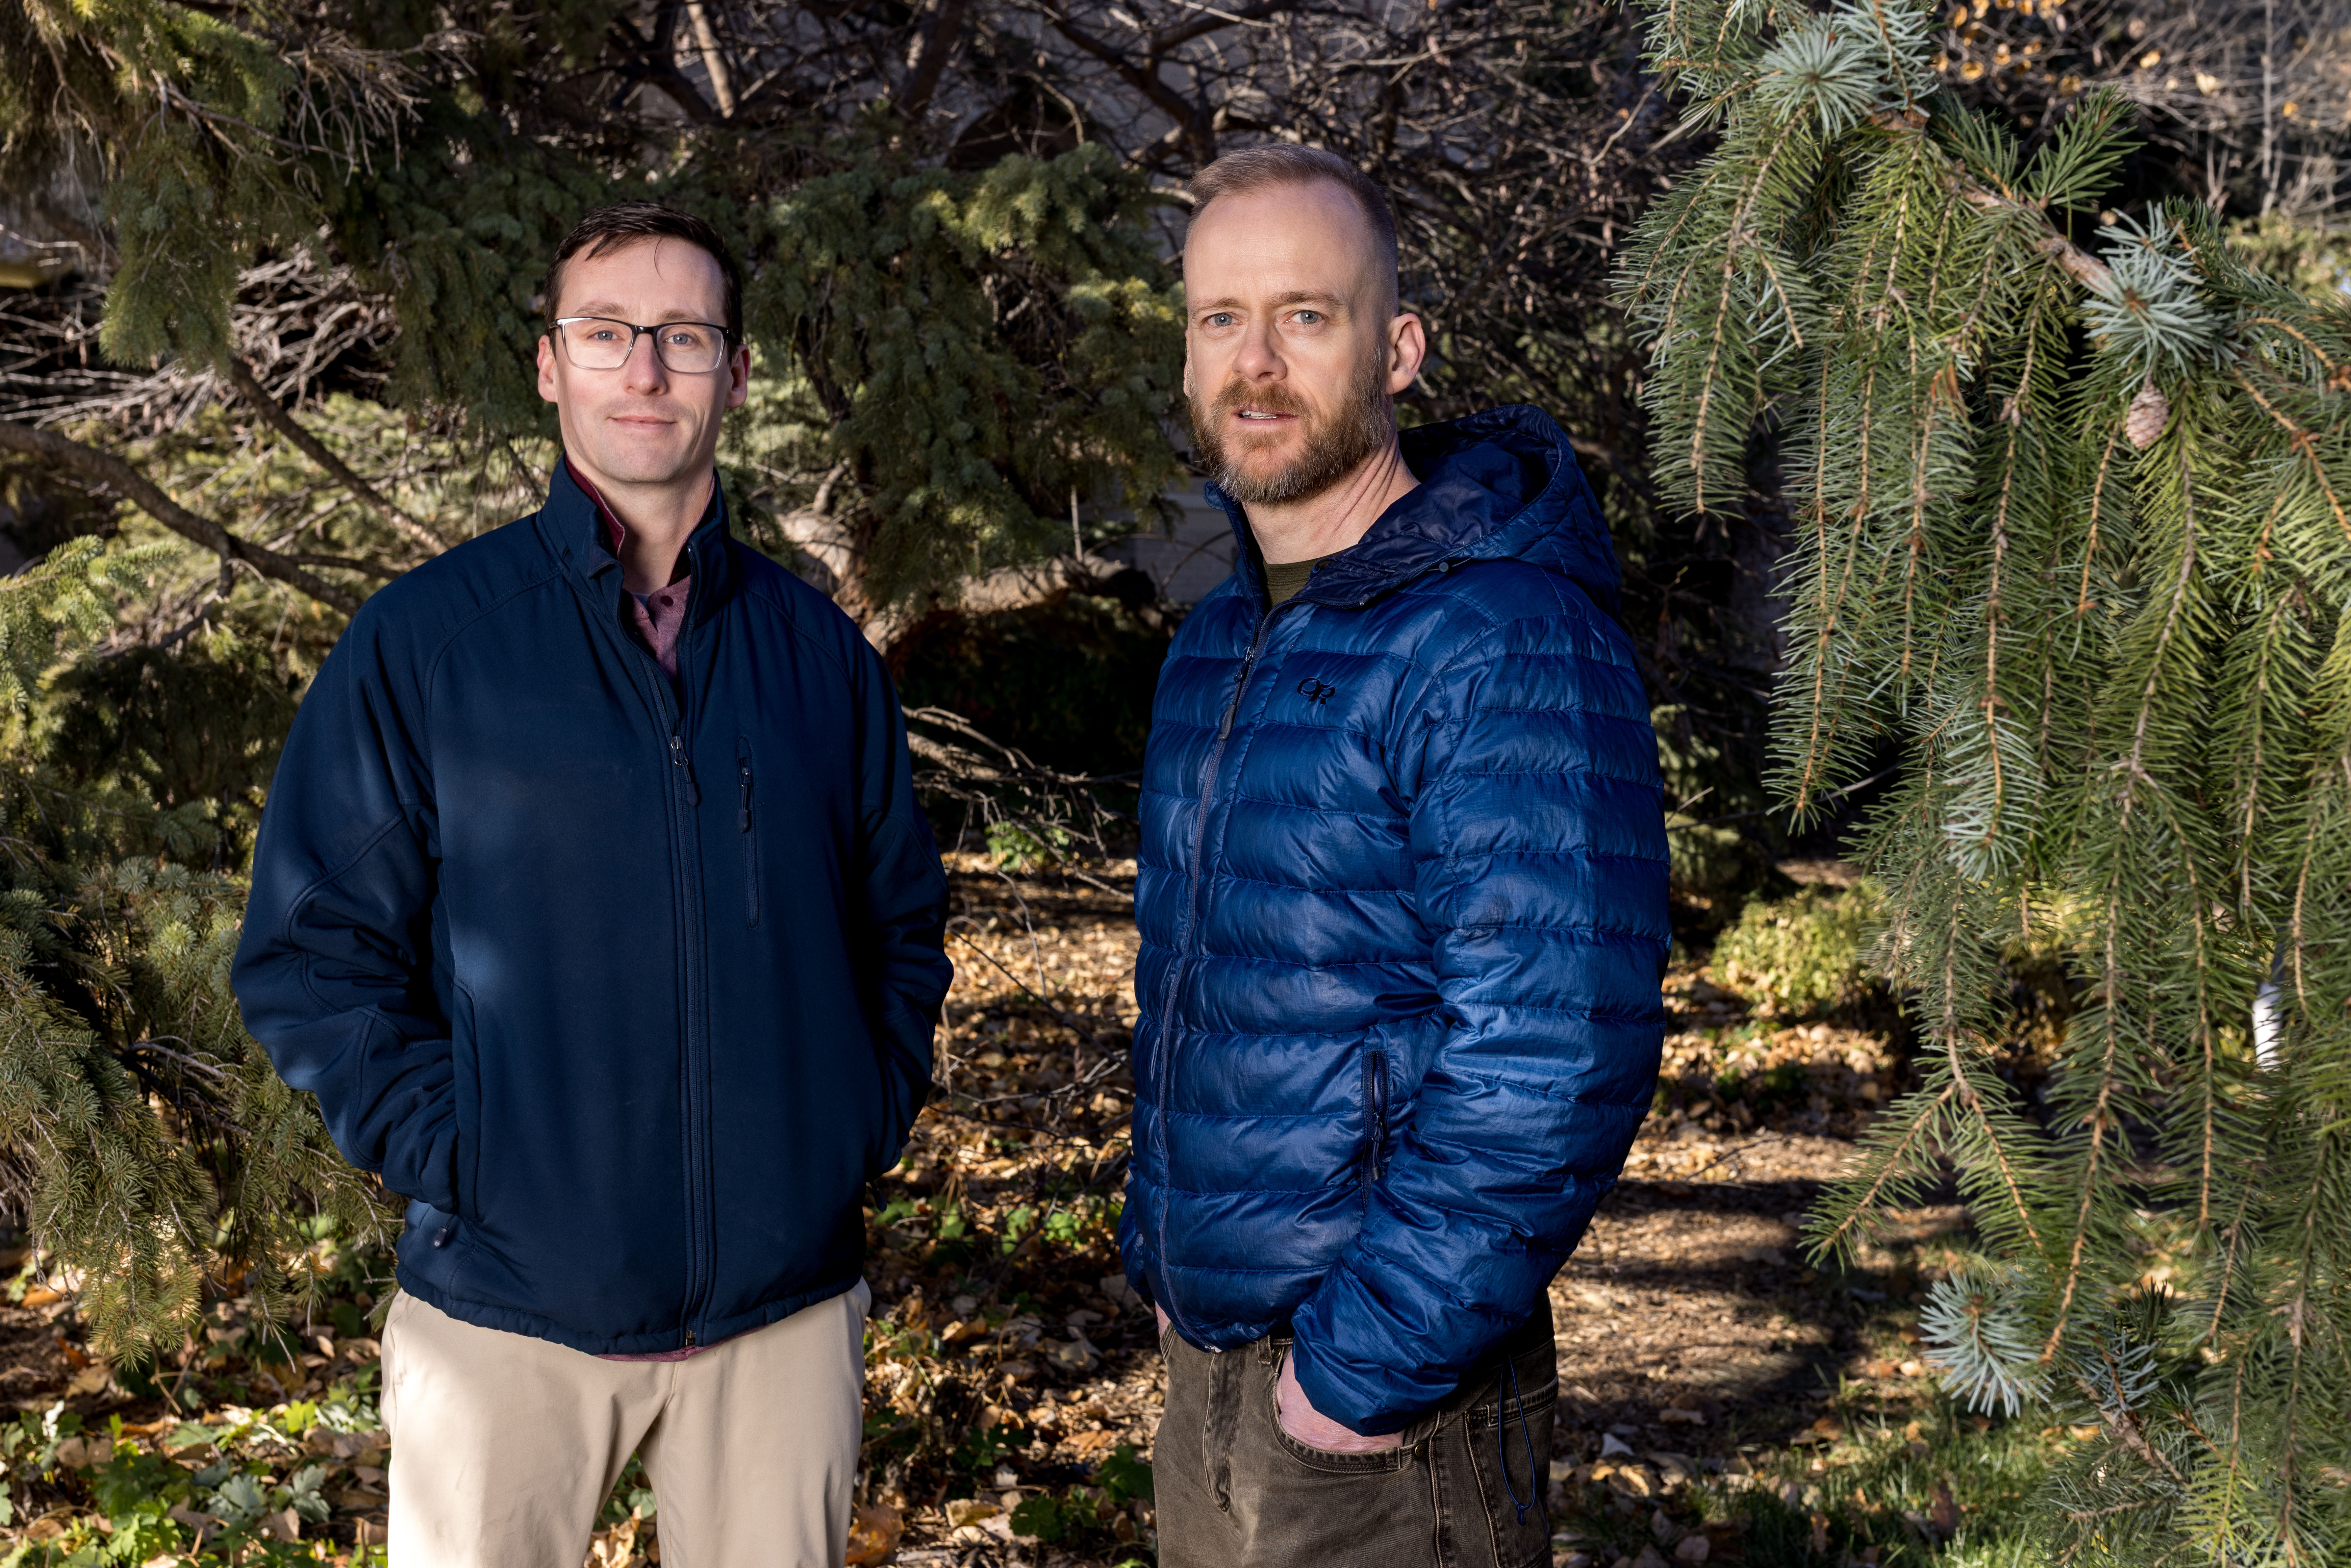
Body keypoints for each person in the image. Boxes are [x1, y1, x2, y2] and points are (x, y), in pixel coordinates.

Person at [232, 202, 952, 1568]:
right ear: (551, 365)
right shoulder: (432, 646)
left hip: (782, 1317)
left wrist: (844, 1130)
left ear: (736, 375)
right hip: (506, 1310)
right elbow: (310, 955)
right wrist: (471, 1157)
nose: (647, 370)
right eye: (608, 334)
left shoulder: (820, 662)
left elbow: (901, 930)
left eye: (684, 337)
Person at [1123, 147, 1671, 1568]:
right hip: (1214, 1383)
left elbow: (1554, 1052)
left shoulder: (1499, 636)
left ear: (1400, 349)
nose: (1255, 362)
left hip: (1387, 1419)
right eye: (1218, 318)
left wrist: (1354, 1381)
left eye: (1306, 316)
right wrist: (1177, 1284)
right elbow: (1196, 990)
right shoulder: (1217, 643)